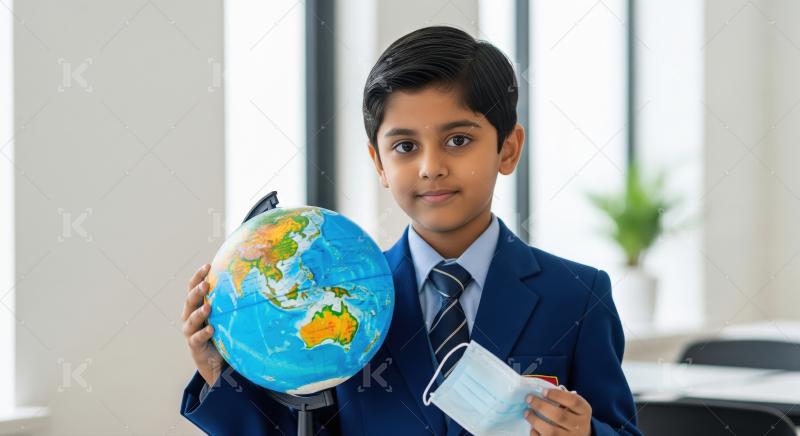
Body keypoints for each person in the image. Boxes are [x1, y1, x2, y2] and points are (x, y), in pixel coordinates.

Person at [179, 25, 642, 436]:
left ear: (508, 148)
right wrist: (223, 376)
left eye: (458, 140)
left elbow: (619, 427)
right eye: (405, 146)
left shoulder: (579, 296)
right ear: (379, 163)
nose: (430, 167)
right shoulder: (337, 300)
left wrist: (587, 433)